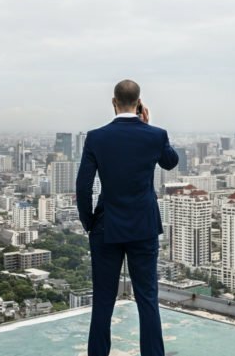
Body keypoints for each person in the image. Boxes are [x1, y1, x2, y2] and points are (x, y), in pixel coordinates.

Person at [76, 79, 179, 356]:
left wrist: (90, 223)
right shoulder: (155, 135)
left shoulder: (96, 137)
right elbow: (171, 161)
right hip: (143, 227)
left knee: (103, 301)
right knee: (147, 299)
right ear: (139, 103)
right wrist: (147, 124)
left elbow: (83, 186)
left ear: (113, 102)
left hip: (106, 227)